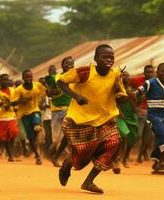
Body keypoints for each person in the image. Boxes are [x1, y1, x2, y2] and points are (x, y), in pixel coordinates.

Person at [56, 44, 126, 194]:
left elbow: (121, 96)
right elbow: (60, 82)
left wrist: (130, 95)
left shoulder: (115, 74)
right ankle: (67, 163)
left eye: (111, 57)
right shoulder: (85, 72)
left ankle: (88, 182)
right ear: (96, 59)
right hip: (81, 120)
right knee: (83, 155)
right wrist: (77, 96)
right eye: (105, 57)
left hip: (105, 119)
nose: (109, 60)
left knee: (114, 143)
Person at [135, 63, 164, 175]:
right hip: (153, 116)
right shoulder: (150, 83)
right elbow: (138, 92)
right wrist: (133, 97)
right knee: (163, 135)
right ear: (158, 72)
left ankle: (156, 163)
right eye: (163, 71)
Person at [11, 70, 47, 165]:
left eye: (30, 77)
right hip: (24, 115)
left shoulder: (37, 85)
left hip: (35, 110)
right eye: (26, 77)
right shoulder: (19, 90)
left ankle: (38, 125)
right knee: (31, 137)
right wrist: (21, 100)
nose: (29, 79)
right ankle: (37, 155)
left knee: (36, 126)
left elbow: (45, 91)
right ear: (23, 78)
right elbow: (12, 102)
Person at [48, 57, 74, 167]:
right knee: (56, 138)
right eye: (67, 63)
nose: (69, 65)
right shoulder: (56, 77)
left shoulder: (75, 78)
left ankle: (61, 157)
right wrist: (55, 91)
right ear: (62, 65)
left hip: (69, 110)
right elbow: (48, 92)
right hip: (56, 110)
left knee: (69, 134)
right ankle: (54, 146)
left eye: (71, 64)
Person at [130, 65, 155, 163]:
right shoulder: (137, 80)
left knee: (149, 136)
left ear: (154, 73)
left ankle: (141, 154)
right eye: (147, 72)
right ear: (144, 73)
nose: (149, 73)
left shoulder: (156, 83)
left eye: (151, 72)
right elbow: (128, 89)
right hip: (139, 112)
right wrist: (135, 106)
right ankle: (126, 153)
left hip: (151, 113)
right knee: (138, 135)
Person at [0, 74, 19, 162]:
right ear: (0, 81)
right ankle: (10, 155)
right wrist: (5, 106)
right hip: (1, 117)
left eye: (7, 80)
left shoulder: (13, 90)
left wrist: (13, 105)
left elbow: (16, 101)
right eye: (3, 80)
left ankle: (10, 152)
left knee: (14, 132)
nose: (5, 81)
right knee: (5, 138)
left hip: (12, 116)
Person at [115, 71, 138, 169]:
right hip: (120, 116)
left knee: (132, 139)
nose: (126, 77)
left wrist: (135, 98)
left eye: (127, 76)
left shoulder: (132, 90)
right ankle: (117, 159)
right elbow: (114, 100)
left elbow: (136, 103)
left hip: (131, 116)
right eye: (123, 75)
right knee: (123, 135)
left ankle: (125, 158)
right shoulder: (116, 89)